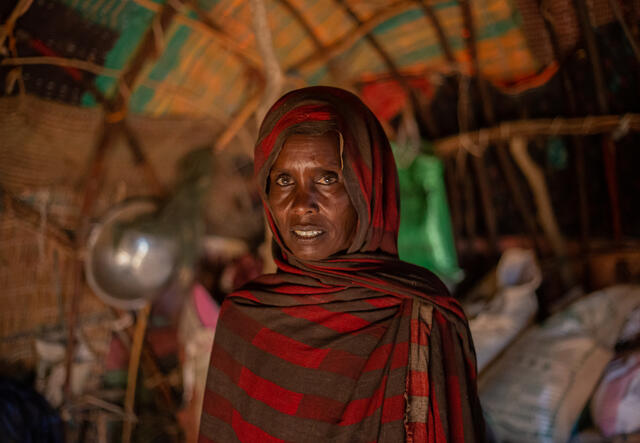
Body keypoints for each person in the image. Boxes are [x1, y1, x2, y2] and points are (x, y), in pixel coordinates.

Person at [199, 86, 485, 442]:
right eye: (284, 180)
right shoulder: (245, 321)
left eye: (327, 178)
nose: (302, 204)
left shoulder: (421, 318)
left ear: (367, 188)